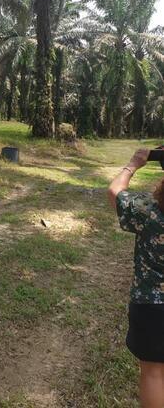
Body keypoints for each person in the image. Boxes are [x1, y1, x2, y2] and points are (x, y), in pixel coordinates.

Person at [108, 148, 164, 408]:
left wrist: (133, 164)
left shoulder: (147, 211)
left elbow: (115, 192)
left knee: (153, 373)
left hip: (151, 306)